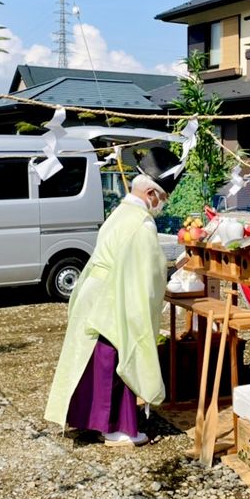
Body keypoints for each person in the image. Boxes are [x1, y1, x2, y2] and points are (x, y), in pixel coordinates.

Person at [44, 147, 182, 447]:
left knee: (92, 360)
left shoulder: (120, 213)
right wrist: (165, 281)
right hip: (113, 299)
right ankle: (116, 429)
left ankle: (91, 421)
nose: (162, 205)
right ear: (150, 193)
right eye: (162, 198)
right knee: (115, 360)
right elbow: (147, 274)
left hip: (95, 292)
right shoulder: (141, 224)